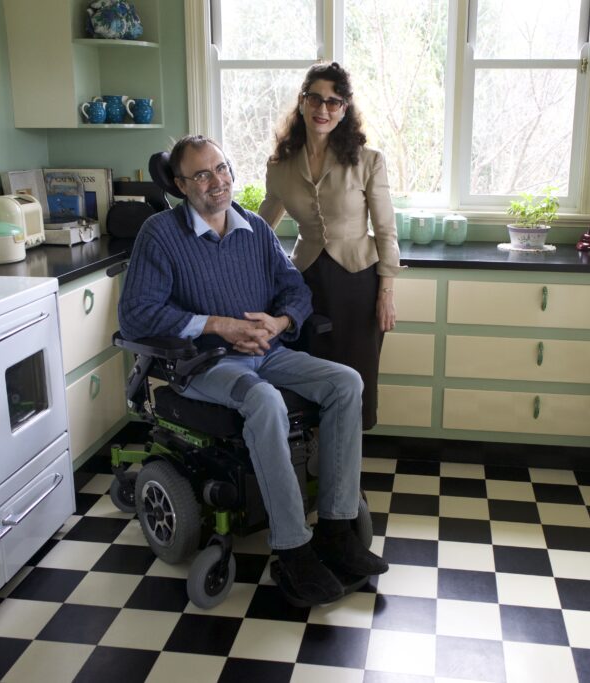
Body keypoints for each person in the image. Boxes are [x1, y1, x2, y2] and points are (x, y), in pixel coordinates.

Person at [118, 135, 388, 606]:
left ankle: (338, 531)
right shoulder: (161, 234)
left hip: (269, 351)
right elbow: (137, 314)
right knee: (262, 399)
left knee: (347, 383)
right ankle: (293, 549)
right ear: (181, 185)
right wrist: (219, 326)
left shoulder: (254, 229)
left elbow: (295, 290)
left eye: (221, 168)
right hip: (202, 362)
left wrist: (282, 320)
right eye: (201, 174)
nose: (216, 182)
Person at [259, 61, 401, 431]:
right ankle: (313, 472)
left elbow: (386, 230)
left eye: (334, 102)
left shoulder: (369, 161)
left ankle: (347, 480)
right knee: (307, 381)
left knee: (356, 380)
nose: (323, 109)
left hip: (359, 284)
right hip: (304, 285)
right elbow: (261, 226)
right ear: (302, 102)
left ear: (345, 109)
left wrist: (385, 294)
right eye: (316, 99)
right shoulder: (280, 166)